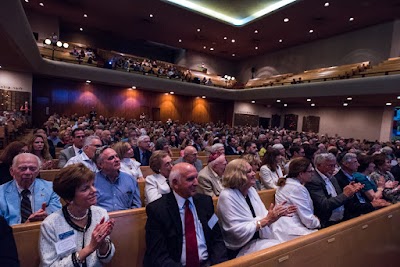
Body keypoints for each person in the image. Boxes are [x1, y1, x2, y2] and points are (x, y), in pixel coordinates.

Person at [144, 163, 228, 266]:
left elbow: (217, 238)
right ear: (175, 183)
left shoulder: (205, 202)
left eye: (196, 177)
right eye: (190, 179)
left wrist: (218, 264)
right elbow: (158, 254)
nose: (196, 183)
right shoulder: (158, 210)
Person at [217, 159, 296, 258]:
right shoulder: (227, 196)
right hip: (241, 247)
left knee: (290, 238)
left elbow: (263, 217)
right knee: (279, 250)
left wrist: (277, 214)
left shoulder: (251, 191)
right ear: (237, 175)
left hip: (258, 239)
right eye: (249, 171)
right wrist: (266, 220)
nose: (254, 173)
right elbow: (236, 232)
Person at [39, 163, 115, 266]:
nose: (94, 191)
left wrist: (102, 243)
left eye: (93, 185)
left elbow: (107, 259)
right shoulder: (50, 224)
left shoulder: (100, 214)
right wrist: (90, 248)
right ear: (69, 199)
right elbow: (49, 265)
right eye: (85, 189)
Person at [0, 153, 61, 225]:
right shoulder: (1, 192)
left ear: (38, 172)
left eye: (32, 169)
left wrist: (46, 216)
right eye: (23, 168)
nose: (28, 172)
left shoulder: (51, 188)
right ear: (12, 171)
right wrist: (26, 226)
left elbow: (56, 215)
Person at [305, 153, 361, 228]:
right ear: (318, 165)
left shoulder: (332, 178)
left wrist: (350, 191)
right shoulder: (313, 181)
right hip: (326, 222)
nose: (334, 169)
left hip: (341, 218)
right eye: (330, 166)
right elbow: (324, 205)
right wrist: (345, 195)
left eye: (335, 165)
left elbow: (340, 197)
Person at [272, 157, 320, 242]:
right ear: (301, 174)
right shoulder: (296, 188)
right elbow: (308, 220)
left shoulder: (287, 182)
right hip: (290, 228)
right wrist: (318, 222)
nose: (313, 174)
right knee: (322, 237)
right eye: (310, 171)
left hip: (284, 226)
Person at [335, 153, 389, 220]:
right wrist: (372, 204)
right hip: (352, 215)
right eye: (355, 162)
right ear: (346, 164)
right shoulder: (339, 179)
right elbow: (350, 206)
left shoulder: (354, 177)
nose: (358, 164)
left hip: (362, 209)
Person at [94, 147, 141, 211]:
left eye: (117, 156)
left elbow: (137, 205)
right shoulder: (92, 181)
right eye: (111, 158)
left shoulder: (130, 179)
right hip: (102, 218)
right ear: (100, 164)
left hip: (127, 218)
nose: (116, 160)